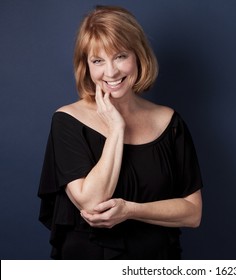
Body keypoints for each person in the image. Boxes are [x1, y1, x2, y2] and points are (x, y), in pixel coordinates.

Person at [37, 5, 203, 260]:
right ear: (87, 67)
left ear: (138, 56)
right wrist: (116, 130)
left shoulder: (170, 122)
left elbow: (192, 213)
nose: (111, 72)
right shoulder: (67, 121)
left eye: (120, 56)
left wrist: (131, 210)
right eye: (98, 61)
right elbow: (92, 204)